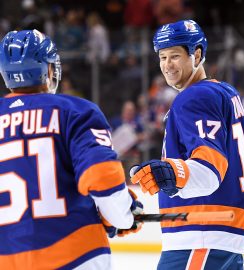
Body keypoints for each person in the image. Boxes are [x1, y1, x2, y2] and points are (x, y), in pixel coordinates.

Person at [131, 20, 244, 270]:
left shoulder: (195, 97)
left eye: (174, 56)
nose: (166, 65)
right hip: (222, 237)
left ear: (197, 54)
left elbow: (209, 170)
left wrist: (171, 173)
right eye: (162, 57)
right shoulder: (224, 92)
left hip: (201, 232)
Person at [0, 29, 143, 270]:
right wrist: (122, 215)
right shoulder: (75, 110)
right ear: (49, 70)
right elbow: (102, 177)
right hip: (75, 255)